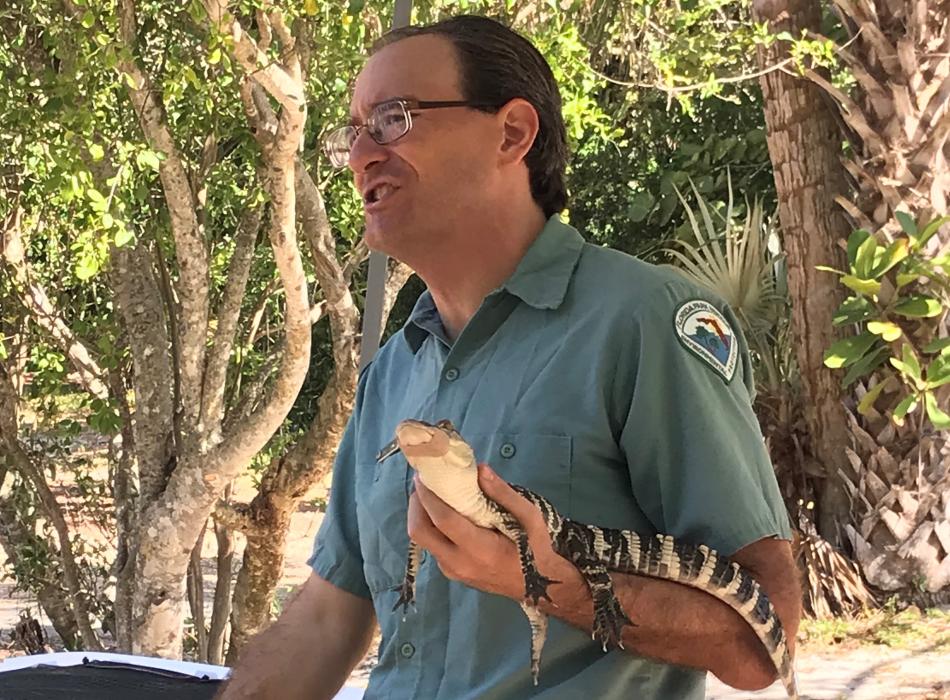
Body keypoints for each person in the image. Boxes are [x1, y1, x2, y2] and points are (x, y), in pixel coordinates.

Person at [217, 14, 801, 700]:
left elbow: (768, 640)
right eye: (355, 132)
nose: (360, 155)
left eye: (394, 118)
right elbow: (324, 619)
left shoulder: (644, 324)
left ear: (512, 133)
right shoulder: (391, 374)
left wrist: (545, 579)